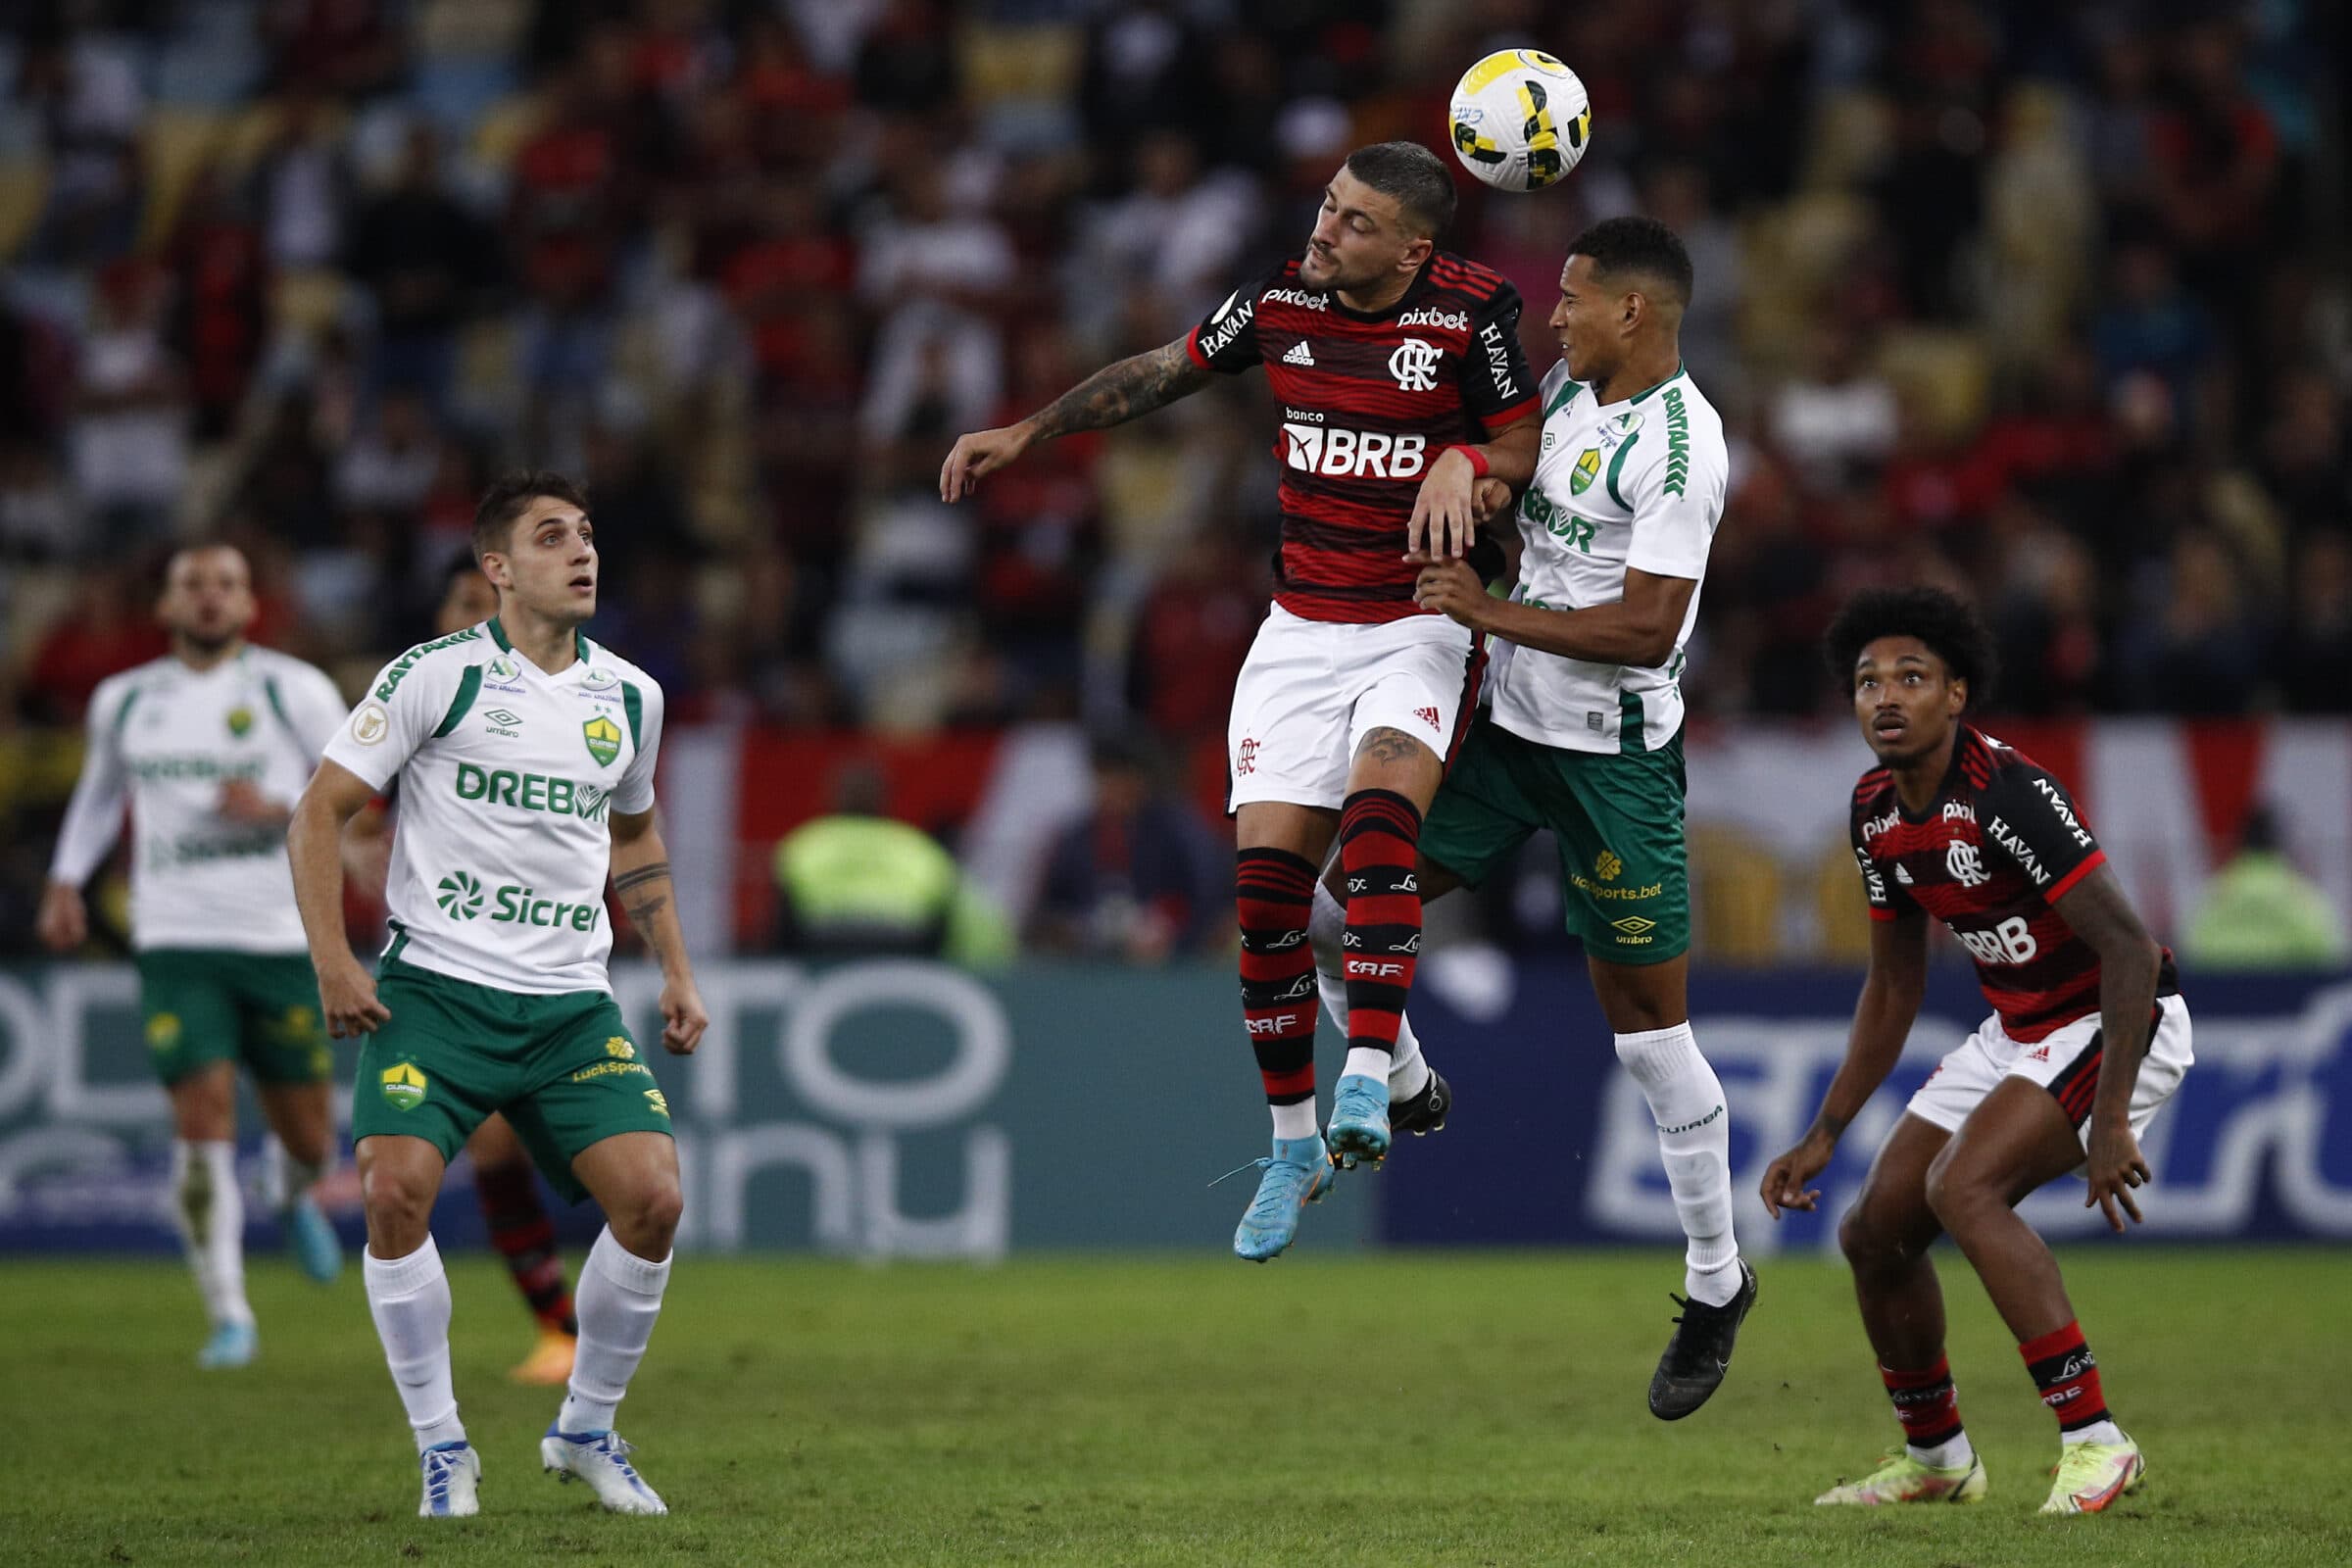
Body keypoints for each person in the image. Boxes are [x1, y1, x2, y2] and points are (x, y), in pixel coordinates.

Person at [943, 141, 1541, 1260]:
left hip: (1419, 618)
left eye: (1356, 223)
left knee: (1377, 831)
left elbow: (1518, 435)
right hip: (1300, 629)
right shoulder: (1279, 299)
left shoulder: (1471, 314)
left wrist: (1474, 467)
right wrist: (1030, 430)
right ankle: (1294, 1142)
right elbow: (1164, 368)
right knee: (1266, 898)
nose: (1325, 231)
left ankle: (1369, 1072)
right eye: (1326, 207)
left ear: (1414, 247)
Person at [1308, 216, 1754, 1417]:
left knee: (1650, 1038)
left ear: (1636, 314)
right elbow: (1513, 470)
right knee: (1328, 907)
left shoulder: (1681, 447)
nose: (1550, 316)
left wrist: (1486, 610)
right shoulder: (1565, 387)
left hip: (1613, 761)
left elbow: (1649, 629)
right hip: (1508, 731)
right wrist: (1470, 467)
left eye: (1572, 300)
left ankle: (1717, 1279)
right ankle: (1402, 1077)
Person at [287, 472, 708, 1519]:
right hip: (438, 992)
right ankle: (442, 1447)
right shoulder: (435, 676)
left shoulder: (631, 696)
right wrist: (335, 960)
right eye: (553, 535)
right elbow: (318, 810)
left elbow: (636, 832)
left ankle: (586, 1426)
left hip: (569, 1002)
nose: (583, 552)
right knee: (392, 1191)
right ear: (498, 568)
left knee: (655, 1199)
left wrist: (677, 968)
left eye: (589, 533)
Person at [1762, 586, 2194, 1516]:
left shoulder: (2009, 795)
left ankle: (2096, 1441)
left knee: (1961, 1187)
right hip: (2021, 1029)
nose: (1886, 696)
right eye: (1869, 679)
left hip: (2119, 1020)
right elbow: (1894, 986)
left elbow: (2129, 948)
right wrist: (1825, 1131)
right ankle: (1938, 1459)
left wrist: (2109, 1116)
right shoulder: (1876, 810)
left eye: (1912, 677)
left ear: (1957, 694)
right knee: (1873, 1231)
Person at [39, 544, 350, 1368]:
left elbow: (355, 789)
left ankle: (292, 1196)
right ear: (167, 608)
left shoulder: (295, 688)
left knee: (310, 1139)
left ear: (251, 606)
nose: (209, 599)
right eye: (192, 587)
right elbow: (101, 796)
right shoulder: (127, 700)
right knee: (201, 1109)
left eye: (225, 586)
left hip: (281, 936)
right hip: (174, 935)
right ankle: (229, 1312)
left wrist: (278, 807)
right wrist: (67, 881)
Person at [347, 555, 583, 1386]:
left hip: (553, 966)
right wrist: (362, 853)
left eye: (491, 603)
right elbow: (344, 814)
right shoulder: (418, 697)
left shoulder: (568, 700)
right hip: (444, 973)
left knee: (589, 1165)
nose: (480, 616)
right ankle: (560, 1327)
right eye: (465, 602)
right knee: (487, 1146)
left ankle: (578, 1322)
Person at [2181, 805, 2350, 970]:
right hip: (2292, 994)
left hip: (2223, 994)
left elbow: (2190, 952)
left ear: (2239, 844)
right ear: (2282, 846)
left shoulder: (2216, 896)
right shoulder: (2303, 897)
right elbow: (2329, 956)